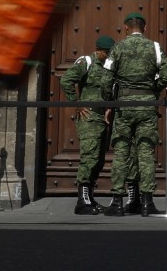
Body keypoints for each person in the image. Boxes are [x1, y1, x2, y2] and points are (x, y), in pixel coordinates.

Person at [101, 12, 167, 217]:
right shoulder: (156, 47)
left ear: (125, 28)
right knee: (146, 153)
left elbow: (106, 80)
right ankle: (147, 202)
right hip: (148, 106)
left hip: (124, 106)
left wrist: (110, 102)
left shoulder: (117, 48)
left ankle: (117, 201)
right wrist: (153, 90)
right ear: (145, 27)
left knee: (121, 152)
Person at [60, 35, 114, 215]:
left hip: (101, 118)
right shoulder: (87, 62)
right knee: (89, 157)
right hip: (89, 118)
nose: (109, 55)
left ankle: (90, 198)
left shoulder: (108, 66)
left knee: (98, 160)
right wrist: (76, 103)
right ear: (98, 50)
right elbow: (66, 80)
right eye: (106, 52)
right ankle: (82, 201)